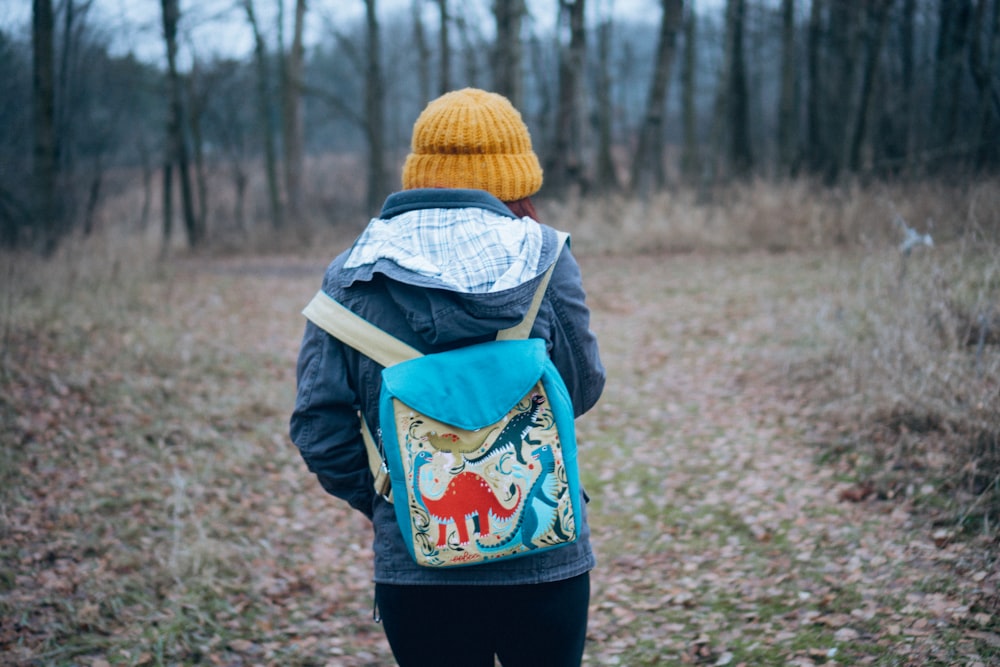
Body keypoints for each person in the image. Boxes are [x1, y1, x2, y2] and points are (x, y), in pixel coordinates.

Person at [290, 88, 605, 667]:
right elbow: (581, 389)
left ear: (421, 172)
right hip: (543, 554)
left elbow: (317, 426)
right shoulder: (544, 254)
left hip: (416, 570)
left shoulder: (350, 275)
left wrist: (393, 499)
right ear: (515, 178)